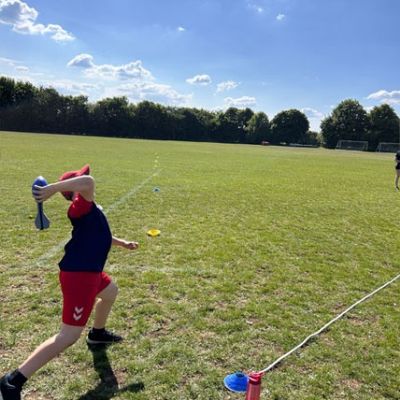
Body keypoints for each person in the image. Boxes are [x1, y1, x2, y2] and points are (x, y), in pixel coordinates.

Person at [0, 164, 139, 400]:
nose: (86, 179)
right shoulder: (79, 207)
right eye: (79, 179)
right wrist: (53, 189)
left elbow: (100, 234)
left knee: (111, 292)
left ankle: (97, 334)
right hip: (80, 276)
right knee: (68, 336)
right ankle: (12, 382)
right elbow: (88, 183)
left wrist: (122, 243)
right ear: (74, 191)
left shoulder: (90, 208)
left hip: (91, 273)